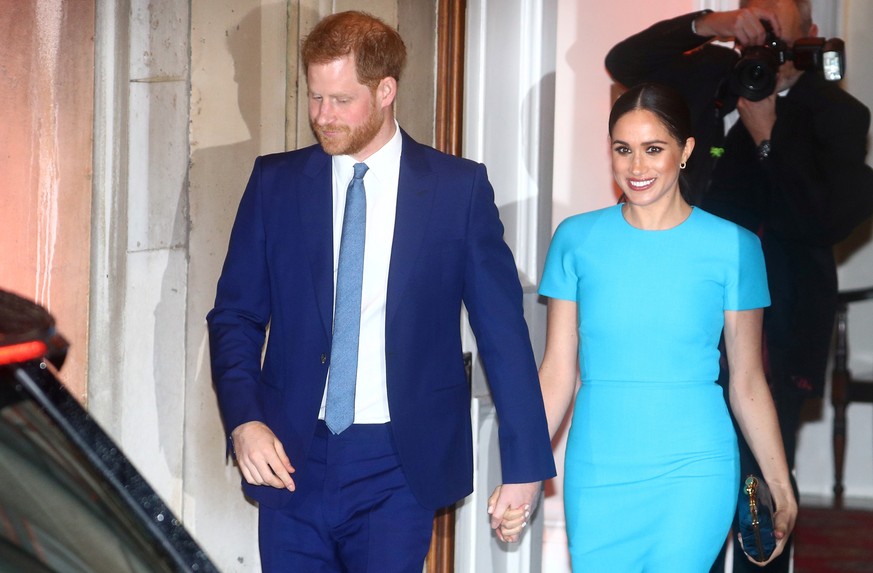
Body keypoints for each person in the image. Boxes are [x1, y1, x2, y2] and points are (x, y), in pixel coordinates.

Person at [206, 11, 556, 573]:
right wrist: (244, 420)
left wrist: (524, 468)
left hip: (397, 463)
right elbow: (235, 317)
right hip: (289, 454)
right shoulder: (275, 183)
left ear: (386, 90)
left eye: (341, 100)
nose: (323, 116)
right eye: (315, 97)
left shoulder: (457, 190)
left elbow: (502, 334)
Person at [605, 2, 873, 571]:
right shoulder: (709, 73)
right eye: (758, 23)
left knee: (760, 484)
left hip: (777, 321)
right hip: (680, 313)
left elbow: (823, 222)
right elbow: (622, 62)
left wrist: (769, 137)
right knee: (678, 466)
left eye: (781, 30)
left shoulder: (838, 114)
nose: (768, 42)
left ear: (811, 37)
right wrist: (710, 24)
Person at [534, 82, 797, 571]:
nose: (636, 167)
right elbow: (555, 373)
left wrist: (781, 487)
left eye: (653, 149)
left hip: (694, 470)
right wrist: (524, 470)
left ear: (686, 151)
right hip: (597, 473)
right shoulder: (576, 240)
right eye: (623, 149)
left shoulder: (733, 247)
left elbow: (746, 382)